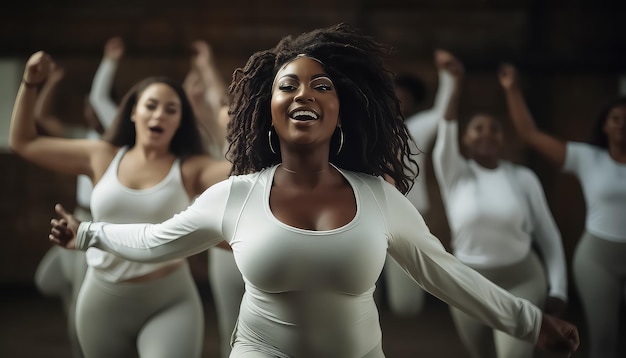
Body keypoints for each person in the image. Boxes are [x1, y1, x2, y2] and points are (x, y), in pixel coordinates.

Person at [48, 23, 579, 358]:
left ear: (340, 109)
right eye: (288, 85)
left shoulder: (377, 197)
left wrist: (531, 322)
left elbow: (446, 273)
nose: (304, 93)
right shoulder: (236, 195)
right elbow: (157, 239)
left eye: (321, 85)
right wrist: (87, 232)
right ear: (268, 110)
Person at [10, 51, 232, 357]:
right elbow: (25, 142)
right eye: (151, 106)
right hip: (102, 300)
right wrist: (29, 84)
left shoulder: (191, 168)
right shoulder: (101, 156)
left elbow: (245, 171)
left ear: (180, 121)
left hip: (169, 300)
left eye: (171, 110)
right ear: (133, 113)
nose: (159, 115)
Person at [431, 54, 569, 358]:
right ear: (464, 140)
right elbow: (446, 126)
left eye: (493, 128)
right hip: (468, 283)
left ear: (502, 139)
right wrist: (455, 83)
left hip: (522, 279)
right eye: (477, 128)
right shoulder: (455, 173)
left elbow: (548, 234)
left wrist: (558, 288)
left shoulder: (523, 178)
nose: (486, 133)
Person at [498, 63, 626, 358]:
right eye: (615, 119)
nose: (622, 124)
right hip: (597, 259)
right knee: (604, 340)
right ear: (605, 126)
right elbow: (529, 134)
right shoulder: (587, 158)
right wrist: (512, 89)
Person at [183, 39, 245, 358]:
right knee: (229, 331)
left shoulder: (269, 144)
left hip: (267, 249)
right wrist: (205, 69)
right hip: (226, 254)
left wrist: (207, 68)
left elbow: (221, 101)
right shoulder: (220, 145)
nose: (232, 113)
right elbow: (218, 105)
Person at [381, 49, 455, 316]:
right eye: (394, 97)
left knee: (405, 304)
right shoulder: (368, 129)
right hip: (369, 212)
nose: (398, 103)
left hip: (407, 214)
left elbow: (442, 112)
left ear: (411, 103)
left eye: (404, 99)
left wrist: (449, 76)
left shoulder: (418, 130)